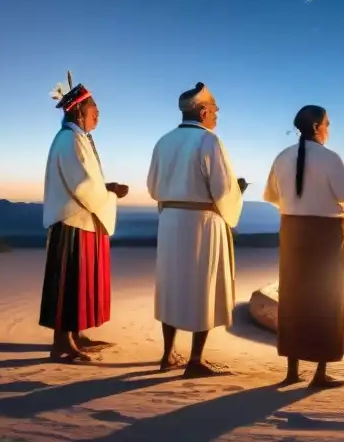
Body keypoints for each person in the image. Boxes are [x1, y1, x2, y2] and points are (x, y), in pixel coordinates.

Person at [147, 82, 246, 378]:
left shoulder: (163, 141)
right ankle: (195, 360)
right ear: (203, 111)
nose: (216, 116)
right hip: (202, 223)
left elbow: (152, 186)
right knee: (203, 286)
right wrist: (236, 194)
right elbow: (223, 188)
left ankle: (166, 355)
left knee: (172, 285)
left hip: (169, 222)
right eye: (214, 110)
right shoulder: (210, 142)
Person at [264, 105, 344, 389]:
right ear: (318, 126)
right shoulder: (330, 158)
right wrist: (342, 209)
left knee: (294, 296)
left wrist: (297, 207)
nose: (329, 129)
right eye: (328, 124)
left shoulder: (282, 157)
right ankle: (319, 373)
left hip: (293, 232)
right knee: (328, 298)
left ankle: (292, 370)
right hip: (327, 234)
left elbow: (272, 196)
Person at [40, 72, 129, 363]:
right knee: (68, 281)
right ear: (79, 110)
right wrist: (110, 194)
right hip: (72, 221)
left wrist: (106, 188)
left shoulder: (79, 139)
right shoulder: (69, 140)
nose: (98, 117)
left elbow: (86, 180)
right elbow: (81, 185)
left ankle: (75, 336)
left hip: (82, 218)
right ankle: (62, 343)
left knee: (80, 282)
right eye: (95, 111)